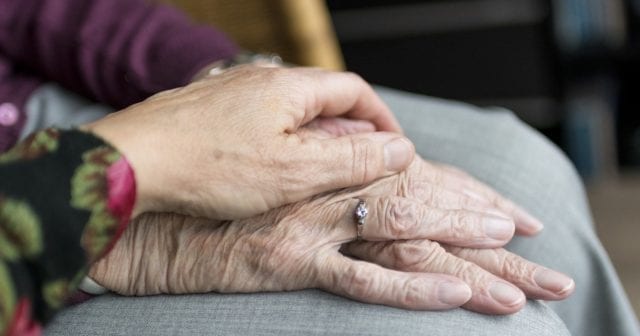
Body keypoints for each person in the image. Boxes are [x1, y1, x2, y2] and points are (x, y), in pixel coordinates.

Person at [0, 1, 638, 336]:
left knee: (525, 181)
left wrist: (227, 84)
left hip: (47, 104)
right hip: (27, 258)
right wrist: (127, 237)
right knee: (485, 325)